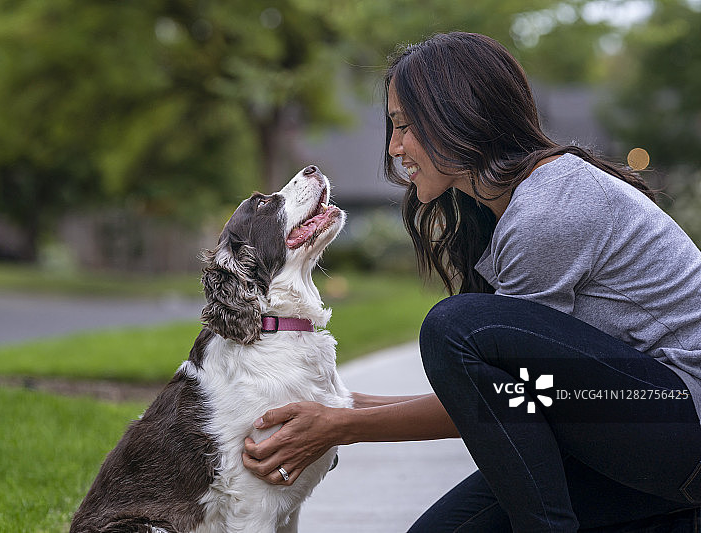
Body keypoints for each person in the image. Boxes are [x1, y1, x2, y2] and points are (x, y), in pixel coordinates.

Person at [242, 32, 701, 532]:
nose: (394, 147)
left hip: (678, 424)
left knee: (456, 326)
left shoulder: (547, 210)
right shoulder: (506, 208)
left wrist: (342, 426)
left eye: (404, 126)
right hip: (632, 434)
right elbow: (501, 401)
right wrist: (337, 407)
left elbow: (521, 395)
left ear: (457, 115)